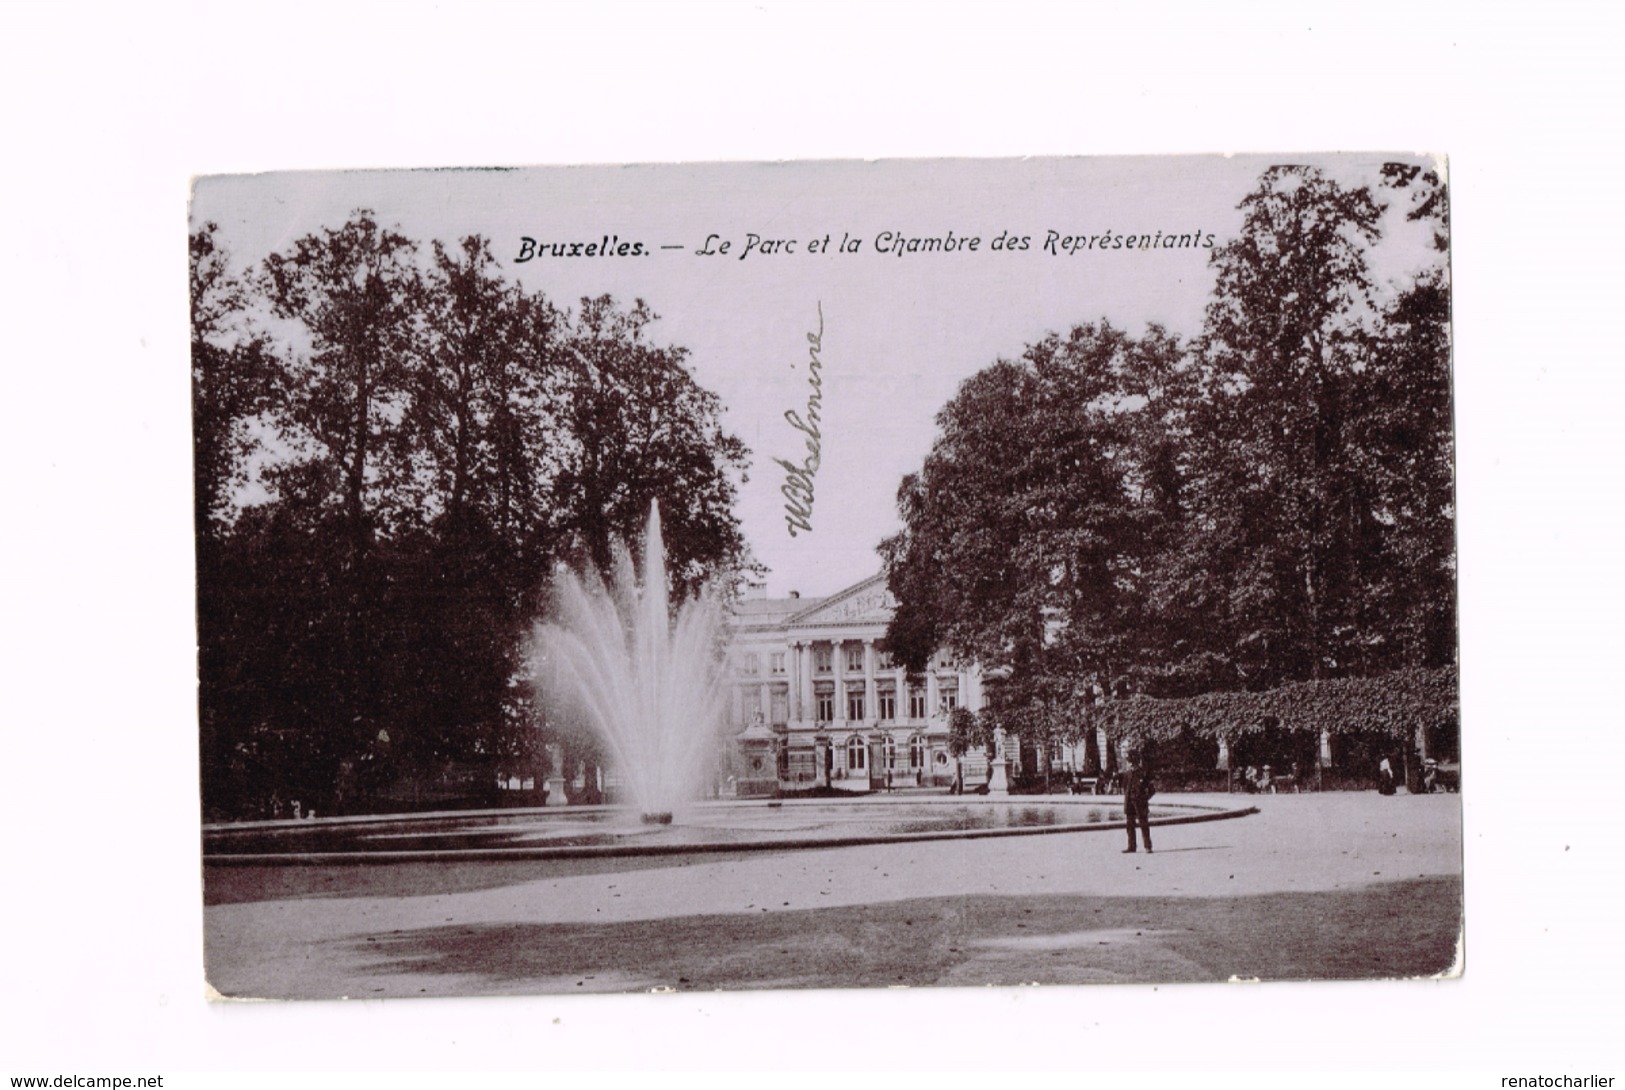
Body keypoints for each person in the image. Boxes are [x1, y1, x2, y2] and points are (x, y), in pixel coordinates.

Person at [1121, 748, 1154, 854]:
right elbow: (1125, 788)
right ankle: (1131, 846)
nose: (1128, 763)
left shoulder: (1143, 773)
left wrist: (1144, 798)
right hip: (1130, 802)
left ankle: (1147, 846)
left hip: (1140, 802)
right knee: (1129, 825)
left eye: (1129, 760)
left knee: (1143, 824)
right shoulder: (1127, 774)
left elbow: (1152, 789)